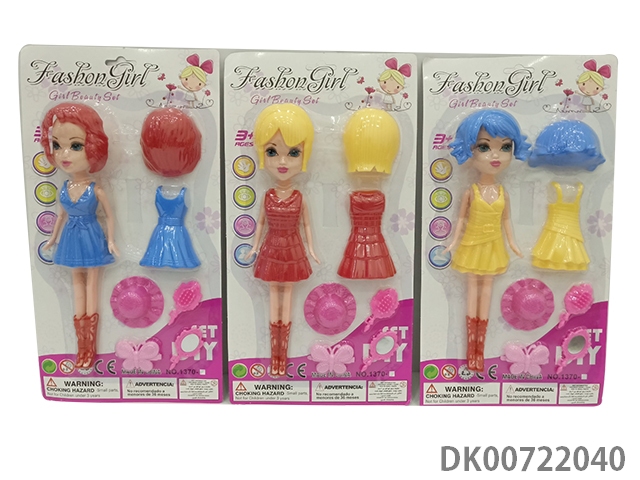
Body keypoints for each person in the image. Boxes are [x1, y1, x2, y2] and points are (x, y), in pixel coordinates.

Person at [444, 109, 530, 371]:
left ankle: (479, 352)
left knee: (487, 292)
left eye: (505, 147)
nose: (495, 155)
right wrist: (452, 242)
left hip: (493, 246)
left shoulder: (503, 193)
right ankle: (470, 350)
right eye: (484, 147)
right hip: (472, 244)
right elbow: (461, 220)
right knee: (473, 290)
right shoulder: (471, 191)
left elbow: (506, 221)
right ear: (470, 150)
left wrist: (513, 244)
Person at [41, 103, 119, 369]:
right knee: (77, 286)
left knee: (91, 285)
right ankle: (81, 349)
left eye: (76, 146)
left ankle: (90, 348)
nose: (64, 154)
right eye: (57, 145)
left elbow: (110, 216)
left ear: (93, 147)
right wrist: (52, 239)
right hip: (71, 239)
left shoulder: (96, 189)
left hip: (91, 237)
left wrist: (111, 241)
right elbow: (61, 216)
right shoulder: (64, 188)